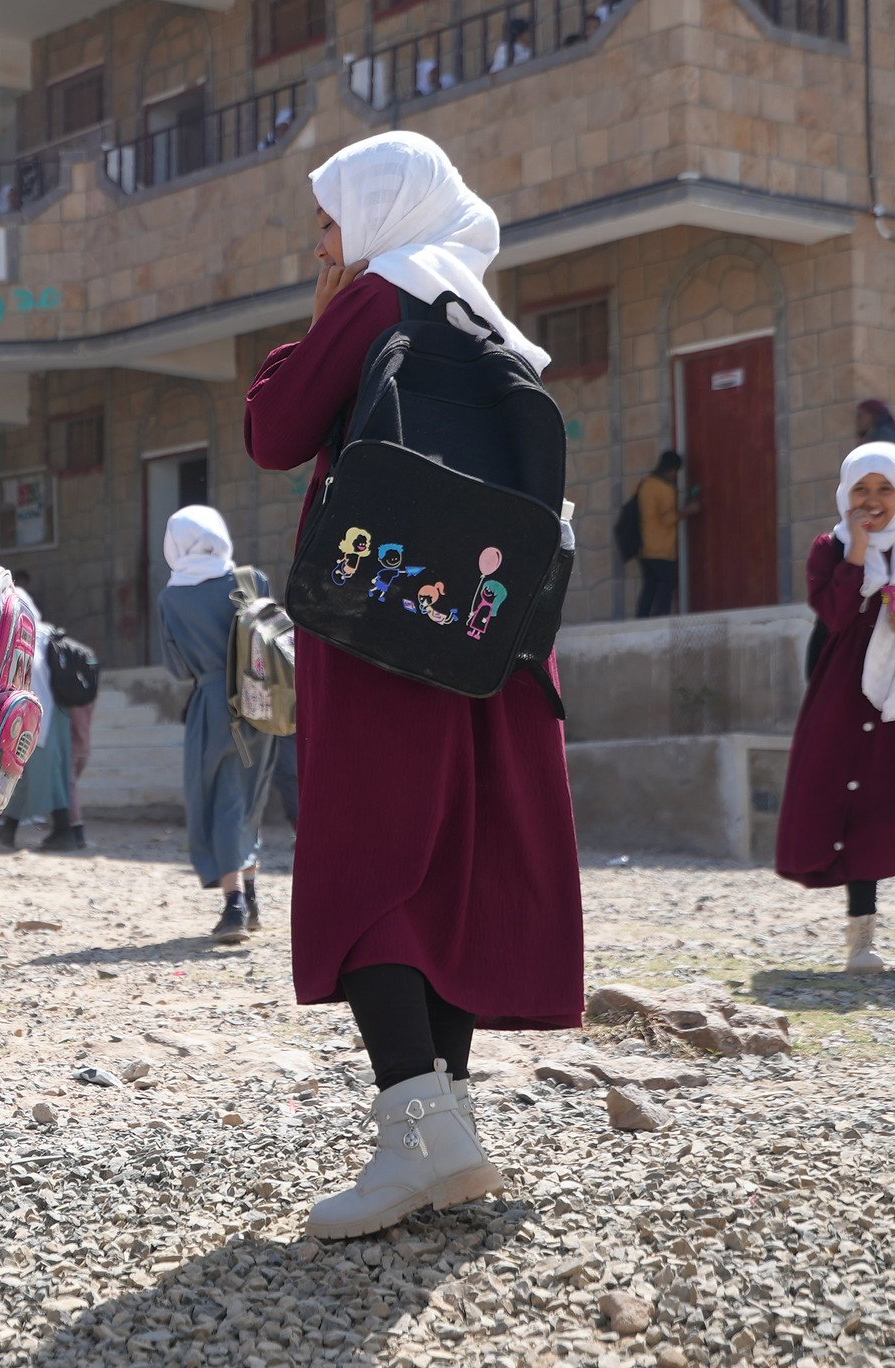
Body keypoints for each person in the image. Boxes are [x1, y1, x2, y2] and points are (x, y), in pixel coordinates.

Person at [244, 131, 583, 1240]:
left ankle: (421, 1129)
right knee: (451, 859)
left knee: (371, 855)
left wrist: (317, 312)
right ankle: (441, 1124)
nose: (323, 242)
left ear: (380, 216)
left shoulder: (375, 293)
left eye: (330, 221)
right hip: (486, 635)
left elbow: (275, 432)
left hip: (381, 622)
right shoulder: (479, 315)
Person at [776, 442, 895, 970]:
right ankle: (862, 940)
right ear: (844, 493)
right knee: (863, 803)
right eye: (861, 489)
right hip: (850, 694)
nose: (872, 501)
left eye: (884, 490)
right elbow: (832, 612)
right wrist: (856, 551)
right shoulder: (829, 548)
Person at [159, 506, 276, 944]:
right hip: (261, 699)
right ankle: (250, 894)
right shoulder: (251, 579)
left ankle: (234, 905)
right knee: (250, 791)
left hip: (212, 702)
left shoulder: (173, 596)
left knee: (220, 796)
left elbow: (176, 667)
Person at [0, 589, 76, 852]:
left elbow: (33, 675)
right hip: (45, 711)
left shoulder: (30, 635)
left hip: (41, 713)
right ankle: (8, 830)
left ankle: (65, 832)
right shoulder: (43, 631)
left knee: (47, 773)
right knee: (23, 774)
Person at [634, 450, 697, 619]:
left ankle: (641, 622)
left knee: (649, 588)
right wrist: (688, 511)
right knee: (667, 586)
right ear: (672, 469)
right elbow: (667, 519)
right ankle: (660, 622)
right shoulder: (664, 489)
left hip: (644, 546)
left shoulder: (646, 484)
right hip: (661, 548)